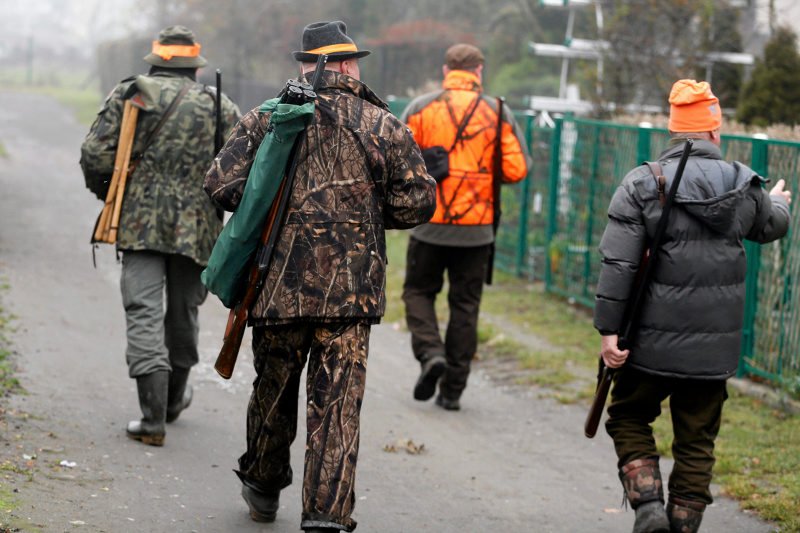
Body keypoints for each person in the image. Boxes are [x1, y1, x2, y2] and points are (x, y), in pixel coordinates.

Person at [203, 20, 436, 532]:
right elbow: (418, 201)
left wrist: (269, 211)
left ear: (307, 65)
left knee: (274, 393)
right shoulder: (383, 125)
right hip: (351, 298)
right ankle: (326, 517)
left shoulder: (269, 117)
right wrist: (368, 217)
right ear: (349, 64)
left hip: (276, 287)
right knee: (337, 408)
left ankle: (263, 486)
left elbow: (220, 185)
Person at [594, 79, 791, 533]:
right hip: (712, 350)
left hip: (645, 342)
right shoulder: (744, 185)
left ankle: (647, 507)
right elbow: (771, 225)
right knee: (697, 440)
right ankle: (681, 527)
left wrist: (608, 331)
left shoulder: (643, 182)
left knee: (627, 414)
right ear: (714, 133)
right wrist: (779, 202)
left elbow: (618, 264)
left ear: (674, 132)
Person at [79, 25, 240, 446]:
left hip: (138, 222)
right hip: (198, 230)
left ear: (155, 60)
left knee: (143, 311)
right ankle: (171, 403)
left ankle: (152, 419)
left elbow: (95, 153)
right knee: (183, 315)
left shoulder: (133, 94)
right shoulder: (220, 105)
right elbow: (241, 172)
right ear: (194, 67)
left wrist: (113, 194)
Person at [400, 43, 530, 411]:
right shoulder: (498, 111)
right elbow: (517, 169)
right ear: (479, 72)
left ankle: (430, 354)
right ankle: (453, 391)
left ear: (446, 72)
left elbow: (399, 159)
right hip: (477, 228)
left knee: (418, 292)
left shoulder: (422, 108)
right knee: (465, 305)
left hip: (429, 224)